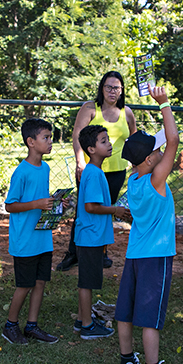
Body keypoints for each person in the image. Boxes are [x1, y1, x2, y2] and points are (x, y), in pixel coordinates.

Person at [114, 86, 183, 364]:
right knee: (150, 317)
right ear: (147, 159)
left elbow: (165, 144)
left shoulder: (134, 180)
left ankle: (126, 361)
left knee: (125, 310)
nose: (162, 152)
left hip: (134, 255)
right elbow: (174, 140)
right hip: (155, 257)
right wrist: (164, 104)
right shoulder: (156, 180)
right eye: (156, 152)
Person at [55, 71, 137, 271]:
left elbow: (133, 138)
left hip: (117, 170)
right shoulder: (90, 108)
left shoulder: (127, 112)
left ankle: (101, 252)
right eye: (108, 87)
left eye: (116, 87)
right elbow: (77, 135)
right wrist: (79, 162)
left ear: (122, 90)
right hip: (90, 169)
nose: (112, 91)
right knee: (84, 211)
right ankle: (74, 253)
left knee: (106, 211)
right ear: (102, 88)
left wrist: (136, 164)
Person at [2, 118, 60, 345]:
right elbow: (10, 205)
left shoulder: (45, 167)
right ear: (31, 142)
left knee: (40, 282)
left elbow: (41, 199)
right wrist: (36, 204)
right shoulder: (21, 172)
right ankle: (10, 325)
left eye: (50, 137)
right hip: (25, 240)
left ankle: (32, 326)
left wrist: (54, 202)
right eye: (46, 137)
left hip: (43, 238)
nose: (50, 141)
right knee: (24, 285)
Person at [74, 124, 130, 340]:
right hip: (90, 236)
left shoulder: (94, 172)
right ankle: (87, 326)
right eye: (103, 141)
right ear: (91, 149)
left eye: (108, 140)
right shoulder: (94, 173)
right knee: (87, 282)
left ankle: (83, 318)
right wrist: (115, 210)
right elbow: (91, 206)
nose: (109, 144)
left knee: (88, 280)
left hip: (92, 236)